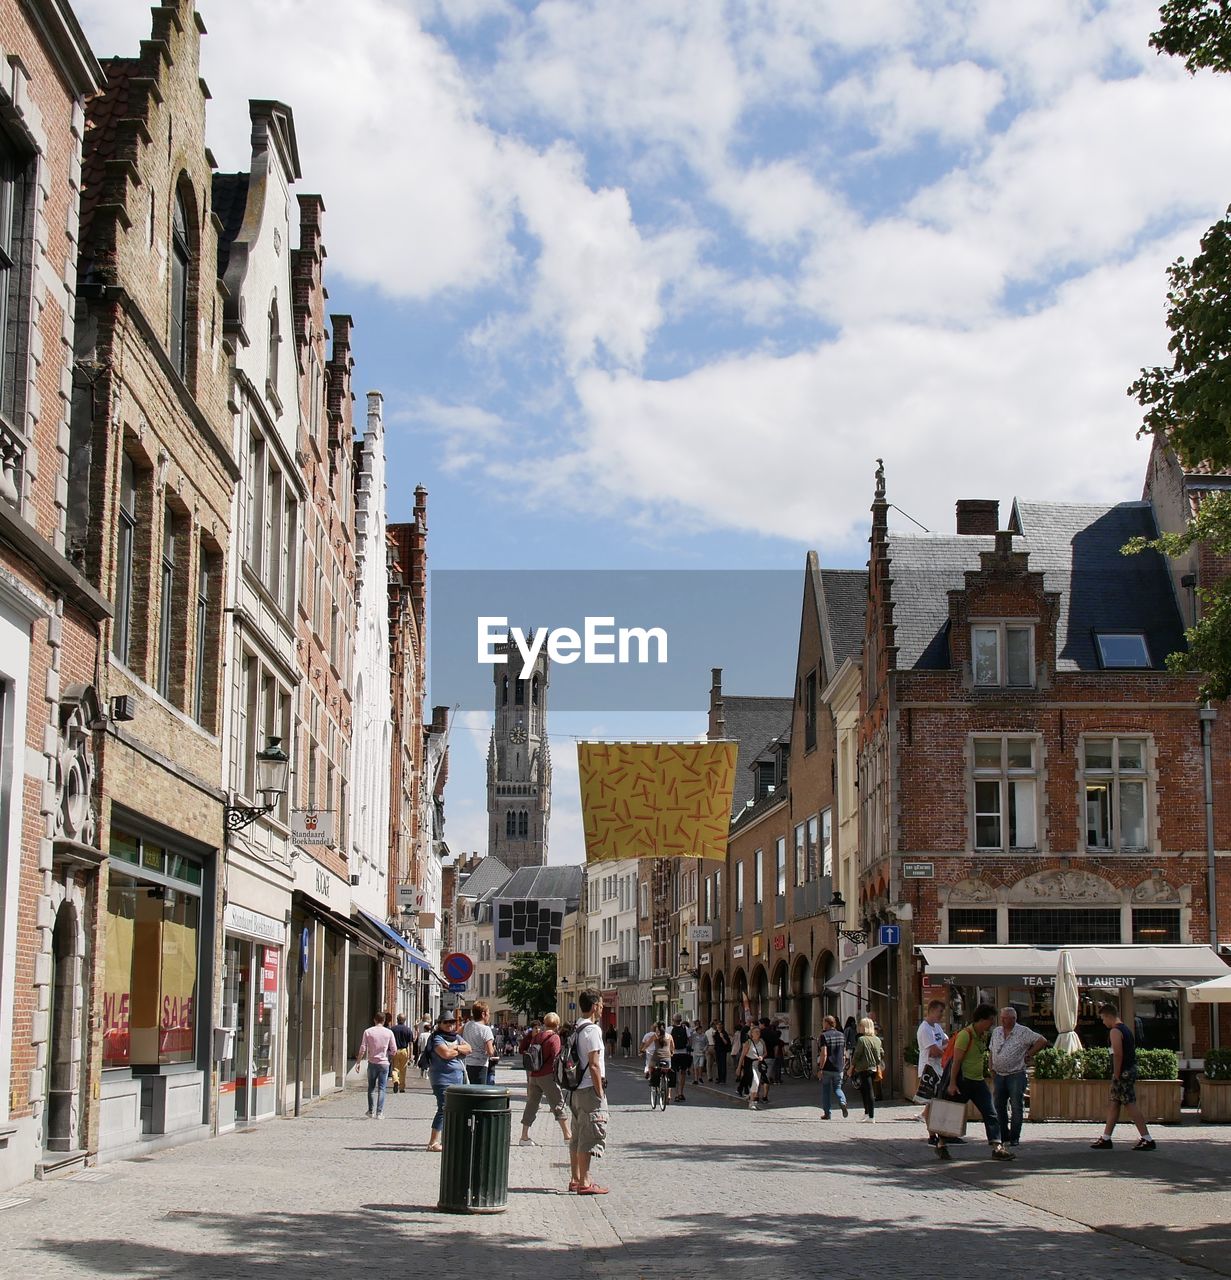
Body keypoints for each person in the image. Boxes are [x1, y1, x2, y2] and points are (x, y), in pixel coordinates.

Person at [934, 1003, 1014, 1162]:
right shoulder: (966, 1035)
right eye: (991, 1020)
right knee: (951, 1114)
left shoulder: (982, 1036)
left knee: (991, 1113)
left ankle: (997, 1147)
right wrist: (952, 1083)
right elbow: (956, 1062)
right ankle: (941, 1144)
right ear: (982, 1020)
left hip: (978, 1082)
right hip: (963, 1082)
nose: (992, 1024)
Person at [1091, 1002, 1156, 1151]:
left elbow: (1118, 1054)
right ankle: (1106, 1138)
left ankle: (1147, 1138)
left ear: (1108, 1016)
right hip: (1130, 1069)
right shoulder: (1126, 1029)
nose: (1103, 1022)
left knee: (1129, 1103)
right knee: (1115, 1102)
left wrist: (1116, 1073)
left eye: (1103, 1018)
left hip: (1123, 1071)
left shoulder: (1114, 1031)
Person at [568, 988, 609, 1194]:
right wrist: (599, 1092)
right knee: (590, 1134)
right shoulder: (592, 1030)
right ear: (594, 1007)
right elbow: (594, 1064)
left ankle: (575, 1178)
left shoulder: (576, 1027)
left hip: (574, 1090)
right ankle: (584, 1181)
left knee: (576, 1135)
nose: (602, 1009)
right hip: (587, 1089)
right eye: (601, 1005)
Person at [990, 1006, 1047, 1149]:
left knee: (1016, 1106)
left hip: (1016, 1073)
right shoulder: (996, 1031)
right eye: (1002, 1018)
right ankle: (1004, 1135)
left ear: (1013, 1019)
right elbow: (991, 1050)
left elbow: (1042, 1040)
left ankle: (1015, 1137)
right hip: (999, 1074)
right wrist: (991, 1066)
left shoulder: (1022, 1032)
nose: (1003, 1021)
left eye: (1006, 1019)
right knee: (999, 1106)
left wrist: (1029, 1054)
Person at [518, 1012, 572, 1146]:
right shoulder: (555, 1038)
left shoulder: (537, 1036)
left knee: (531, 1104)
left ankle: (524, 1136)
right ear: (557, 1024)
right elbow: (556, 1058)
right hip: (548, 1075)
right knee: (557, 1103)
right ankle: (567, 1135)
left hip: (534, 1074)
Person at [425, 1010, 469, 1151]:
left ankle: (448, 1139)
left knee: (454, 1110)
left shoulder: (455, 1037)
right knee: (443, 1108)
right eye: (446, 1022)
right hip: (442, 1079)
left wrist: (455, 1047)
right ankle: (433, 1142)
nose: (450, 1025)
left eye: (452, 1022)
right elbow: (445, 1054)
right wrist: (458, 1051)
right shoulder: (437, 1038)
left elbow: (469, 1049)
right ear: (439, 1024)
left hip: (458, 1078)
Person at [354, 1011, 397, 1120]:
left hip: (372, 1062)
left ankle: (370, 1111)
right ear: (384, 1021)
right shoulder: (389, 1033)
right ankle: (379, 1112)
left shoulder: (368, 1032)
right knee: (382, 1088)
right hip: (384, 1063)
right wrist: (389, 1057)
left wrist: (358, 1061)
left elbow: (363, 1048)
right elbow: (394, 1049)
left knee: (371, 1088)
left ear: (374, 1020)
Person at [850, 1016, 884, 1123]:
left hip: (864, 1068)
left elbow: (857, 1054)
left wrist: (852, 1067)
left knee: (868, 1091)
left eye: (860, 1025)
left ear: (864, 1027)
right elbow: (882, 1053)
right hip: (874, 1067)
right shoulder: (877, 1039)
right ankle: (867, 1113)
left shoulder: (862, 1039)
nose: (859, 1027)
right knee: (866, 1090)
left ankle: (871, 1116)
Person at [816, 1014, 850, 1120]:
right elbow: (844, 1053)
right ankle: (842, 1101)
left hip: (827, 1068)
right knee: (838, 1088)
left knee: (826, 1090)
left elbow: (824, 1053)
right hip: (839, 1067)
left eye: (823, 1022)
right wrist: (843, 1065)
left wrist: (821, 1068)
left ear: (826, 1023)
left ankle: (827, 1113)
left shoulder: (824, 1035)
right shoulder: (841, 1035)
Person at [462, 1000, 498, 1085]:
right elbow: (490, 1051)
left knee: (469, 1089)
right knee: (479, 1091)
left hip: (467, 1063)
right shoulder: (486, 1029)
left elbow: (457, 1034)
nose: (489, 1016)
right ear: (483, 1014)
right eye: (488, 1013)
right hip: (480, 1065)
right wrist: (494, 1052)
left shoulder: (467, 1025)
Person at [735, 1022, 766, 1110]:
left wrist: (762, 1057)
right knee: (755, 1081)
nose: (757, 1033)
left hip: (758, 1064)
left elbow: (765, 1052)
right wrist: (739, 1067)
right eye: (755, 1032)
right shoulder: (748, 1042)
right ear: (751, 1033)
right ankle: (751, 1102)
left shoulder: (762, 1041)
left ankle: (751, 1097)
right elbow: (742, 1055)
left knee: (757, 1083)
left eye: (758, 1032)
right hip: (750, 1064)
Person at [647, 1026, 675, 1102]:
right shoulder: (669, 1036)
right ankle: (668, 1094)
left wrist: (642, 1050)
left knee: (650, 1065)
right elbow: (672, 1047)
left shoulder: (655, 1036)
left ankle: (650, 1077)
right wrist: (672, 1053)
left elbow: (647, 1044)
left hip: (657, 1058)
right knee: (668, 1072)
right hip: (667, 1058)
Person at [390, 1012, 415, 1094]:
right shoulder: (408, 1030)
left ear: (397, 1020)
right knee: (403, 1070)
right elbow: (411, 1043)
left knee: (395, 1068)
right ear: (405, 1020)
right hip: (404, 1051)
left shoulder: (392, 1029)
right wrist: (411, 1055)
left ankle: (395, 1080)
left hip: (395, 1050)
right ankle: (402, 1088)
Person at [669, 1014, 691, 1101]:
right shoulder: (685, 1028)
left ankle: (676, 1093)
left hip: (673, 1054)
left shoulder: (669, 1029)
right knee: (683, 1073)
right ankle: (681, 1093)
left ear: (673, 1020)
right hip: (684, 1053)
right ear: (681, 1020)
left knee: (674, 1074)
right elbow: (690, 1040)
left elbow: (667, 1041)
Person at [689, 1020, 708, 1084]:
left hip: (702, 1052)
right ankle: (695, 1079)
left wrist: (705, 1049)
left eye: (701, 1029)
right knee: (695, 1066)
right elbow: (690, 1032)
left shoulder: (704, 1035)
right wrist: (694, 1028)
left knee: (701, 1065)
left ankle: (700, 1077)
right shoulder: (694, 1035)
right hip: (695, 1052)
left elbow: (706, 1043)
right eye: (699, 1029)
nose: (700, 1030)